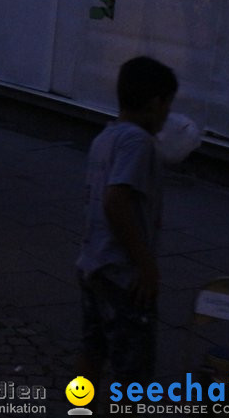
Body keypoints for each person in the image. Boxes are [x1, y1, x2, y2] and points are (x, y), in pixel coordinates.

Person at [75, 55, 178, 391]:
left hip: (93, 265)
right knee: (133, 375)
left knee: (93, 350)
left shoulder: (106, 136)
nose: (168, 113)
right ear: (154, 103)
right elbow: (116, 201)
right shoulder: (138, 142)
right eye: (168, 104)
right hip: (122, 275)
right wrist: (146, 265)